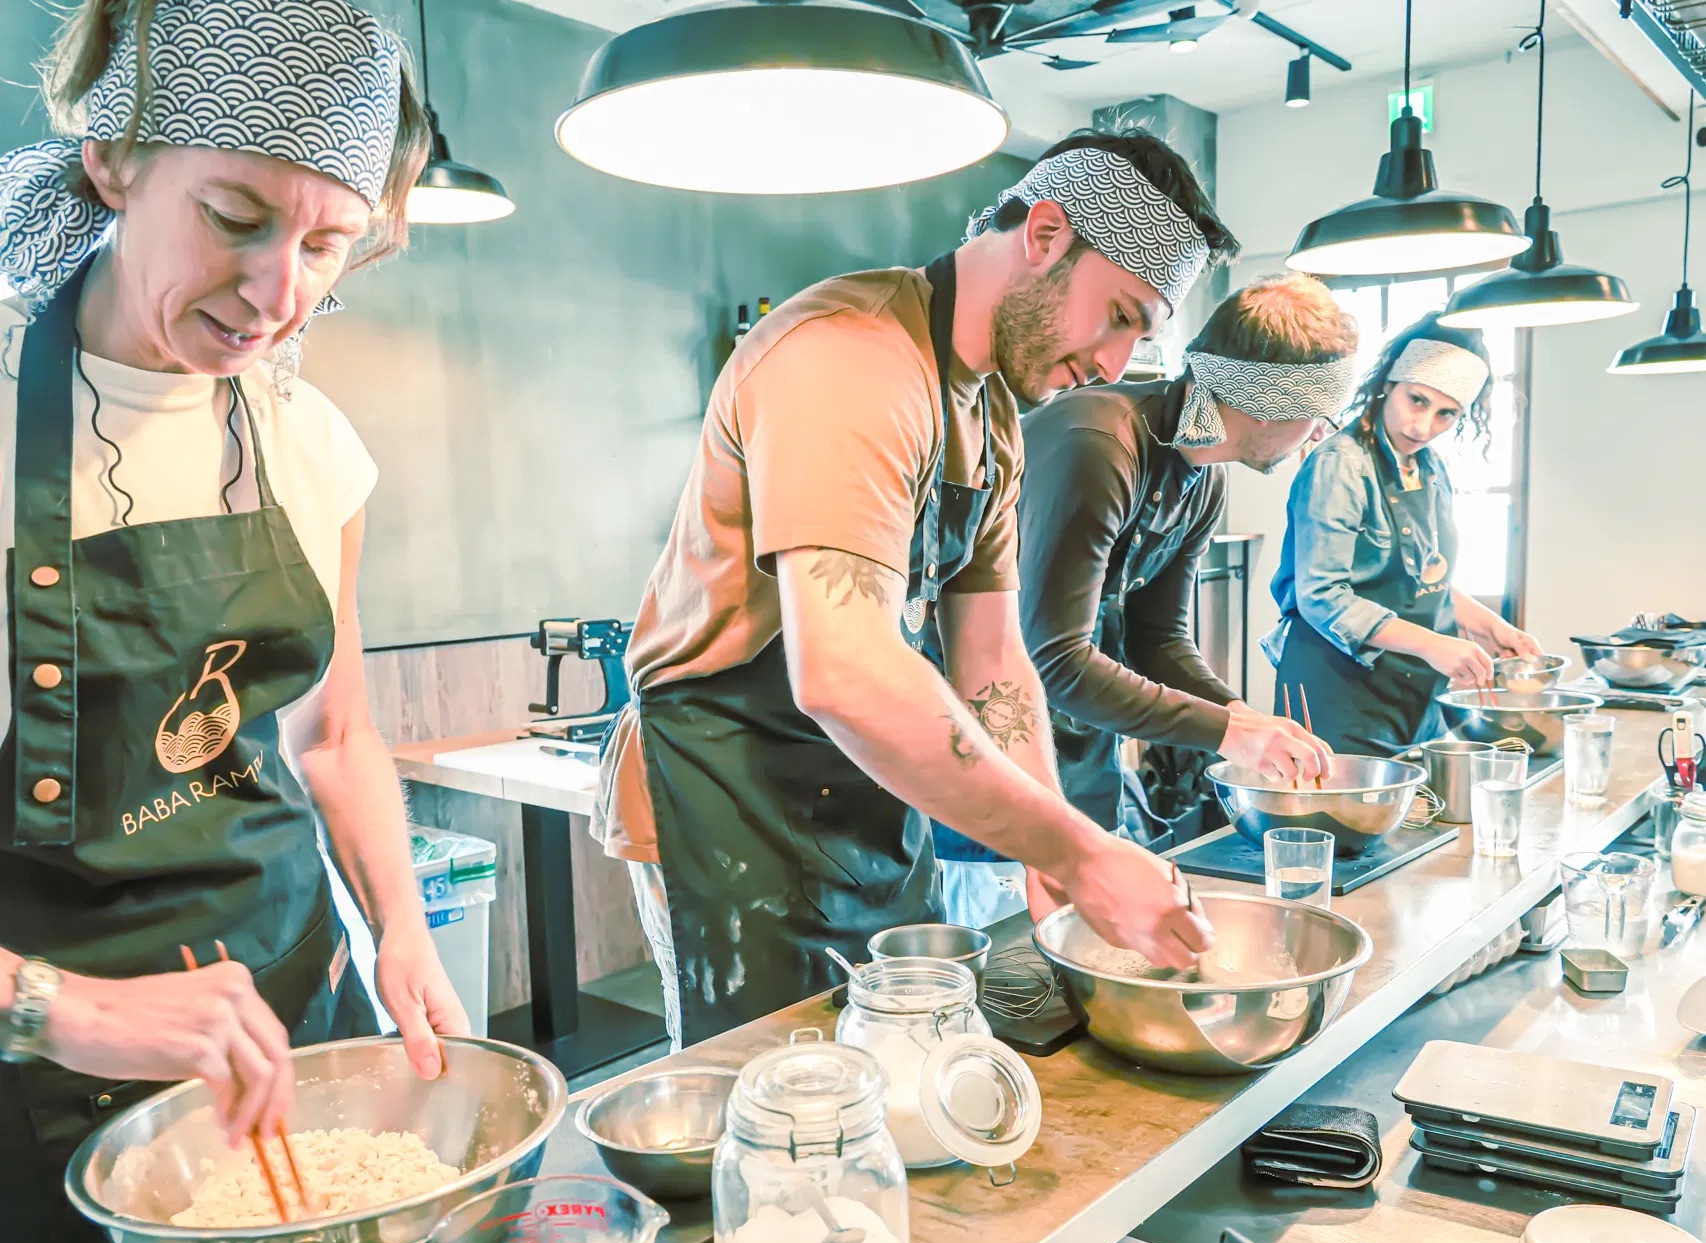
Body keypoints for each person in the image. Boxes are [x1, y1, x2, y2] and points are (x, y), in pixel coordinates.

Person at [0, 0, 467, 1243]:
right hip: (46, 1098)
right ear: (113, 161)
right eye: (236, 218)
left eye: (328, 243)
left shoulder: (310, 441)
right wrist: (64, 1008)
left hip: (295, 1030)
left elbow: (334, 736)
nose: (281, 295)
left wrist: (406, 934)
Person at [596, 132, 1232, 1048]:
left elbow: (993, 657)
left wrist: (1045, 840)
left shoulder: (993, 423)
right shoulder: (849, 360)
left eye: (1142, 335)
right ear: (1046, 236)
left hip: (859, 786)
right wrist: (1077, 851)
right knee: (773, 1106)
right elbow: (845, 672)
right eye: (1120, 315)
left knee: (902, 1073)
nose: (1115, 362)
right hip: (728, 782)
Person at [932, 275, 1355, 928]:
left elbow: (1158, 638)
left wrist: (1242, 717)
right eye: (1317, 414)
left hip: (1079, 751)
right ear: (1267, 404)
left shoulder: (1201, 480)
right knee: (1009, 979)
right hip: (983, 766)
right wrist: (1230, 730)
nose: (1317, 433)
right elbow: (1055, 659)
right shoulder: (1098, 446)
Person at [1266, 315, 1542, 755]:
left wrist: (1491, 627)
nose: (1423, 426)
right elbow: (1321, 595)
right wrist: (1433, 645)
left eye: (1445, 413)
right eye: (1416, 400)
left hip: (1414, 697)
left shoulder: (1430, 469)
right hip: (1339, 695)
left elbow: (1419, 583)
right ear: (1390, 383)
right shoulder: (1340, 464)